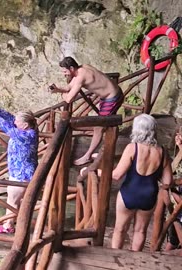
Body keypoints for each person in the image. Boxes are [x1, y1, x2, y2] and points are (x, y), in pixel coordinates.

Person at [103, 114, 172, 251]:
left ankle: (115, 259)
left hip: (129, 193)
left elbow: (117, 175)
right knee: (140, 231)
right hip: (149, 196)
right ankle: (135, 262)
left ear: (136, 129)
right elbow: (168, 182)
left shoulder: (132, 147)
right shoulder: (162, 152)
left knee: (120, 229)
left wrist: (99, 173)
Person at [49, 56, 123, 166]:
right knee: (104, 125)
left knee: (99, 127)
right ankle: (106, 146)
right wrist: (58, 89)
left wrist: (61, 94)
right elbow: (69, 87)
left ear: (72, 68)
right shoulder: (83, 67)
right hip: (108, 96)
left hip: (112, 97)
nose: (64, 74)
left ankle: (87, 156)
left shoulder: (80, 77)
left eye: (65, 71)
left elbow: (69, 98)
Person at [0, 102, 39, 233]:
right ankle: (14, 223)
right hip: (23, 173)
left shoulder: (25, 136)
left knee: (12, 201)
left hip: (21, 175)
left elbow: (5, 126)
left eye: (18, 122)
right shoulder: (31, 129)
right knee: (16, 200)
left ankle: (8, 225)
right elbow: (9, 117)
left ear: (24, 125)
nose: (15, 122)